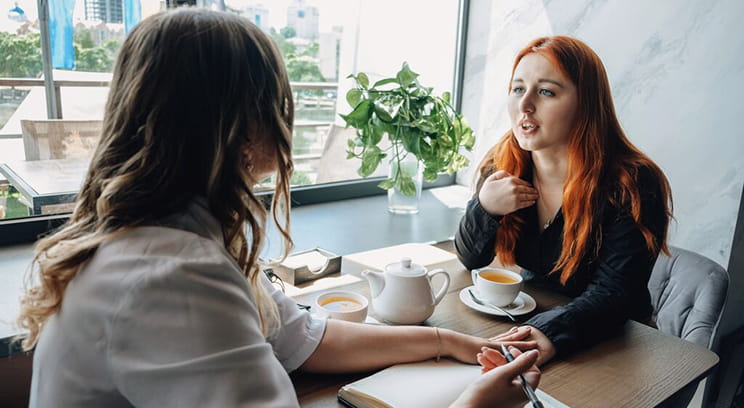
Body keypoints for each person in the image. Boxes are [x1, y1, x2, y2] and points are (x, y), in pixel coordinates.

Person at [18, 9, 540, 408]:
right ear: (239, 123)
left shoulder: (171, 235)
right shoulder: (170, 274)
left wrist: (447, 341)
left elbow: (305, 339)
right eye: (278, 99)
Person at [455, 35, 673, 365]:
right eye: (517, 89)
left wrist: (547, 333)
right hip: (537, 320)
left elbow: (615, 293)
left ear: (585, 103)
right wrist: (484, 208)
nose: (525, 105)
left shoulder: (633, 183)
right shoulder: (503, 164)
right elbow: (470, 258)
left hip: (612, 343)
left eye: (546, 91)